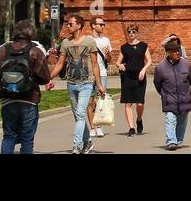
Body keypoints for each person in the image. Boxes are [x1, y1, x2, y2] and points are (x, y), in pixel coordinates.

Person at [0, 19, 51, 155]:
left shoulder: (4, 50)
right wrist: (31, 81)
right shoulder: (35, 52)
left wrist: (7, 83)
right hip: (29, 100)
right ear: (32, 34)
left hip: (7, 100)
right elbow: (45, 77)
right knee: (27, 139)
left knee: (8, 136)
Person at [47, 14, 106, 155]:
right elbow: (60, 63)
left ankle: (77, 145)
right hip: (71, 83)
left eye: (70, 24)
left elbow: (95, 64)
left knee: (80, 114)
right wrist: (50, 78)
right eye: (68, 24)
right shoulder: (66, 43)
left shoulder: (89, 42)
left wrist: (99, 85)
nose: (68, 26)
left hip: (86, 83)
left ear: (79, 25)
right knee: (78, 116)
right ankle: (88, 143)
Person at [153, 38, 191, 150]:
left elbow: (189, 80)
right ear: (168, 53)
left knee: (182, 121)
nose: (177, 53)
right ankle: (171, 141)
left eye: (178, 51)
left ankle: (178, 140)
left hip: (184, 98)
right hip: (169, 98)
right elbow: (157, 84)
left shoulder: (186, 64)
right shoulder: (160, 68)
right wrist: (164, 94)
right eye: (174, 51)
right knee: (170, 119)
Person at [116, 24, 151, 135]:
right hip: (127, 77)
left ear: (137, 33)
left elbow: (149, 60)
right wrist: (119, 65)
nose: (131, 34)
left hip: (140, 77)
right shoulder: (124, 47)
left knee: (140, 103)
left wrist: (143, 70)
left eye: (133, 32)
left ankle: (139, 119)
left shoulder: (143, 46)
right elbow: (118, 61)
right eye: (129, 32)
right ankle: (131, 127)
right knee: (128, 103)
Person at [88, 17, 113, 138]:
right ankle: (92, 127)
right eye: (100, 24)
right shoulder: (87, 40)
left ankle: (99, 126)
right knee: (90, 100)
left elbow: (109, 59)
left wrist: (107, 54)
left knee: (100, 100)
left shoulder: (106, 40)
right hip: (89, 74)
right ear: (93, 25)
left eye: (104, 24)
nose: (103, 26)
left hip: (102, 73)